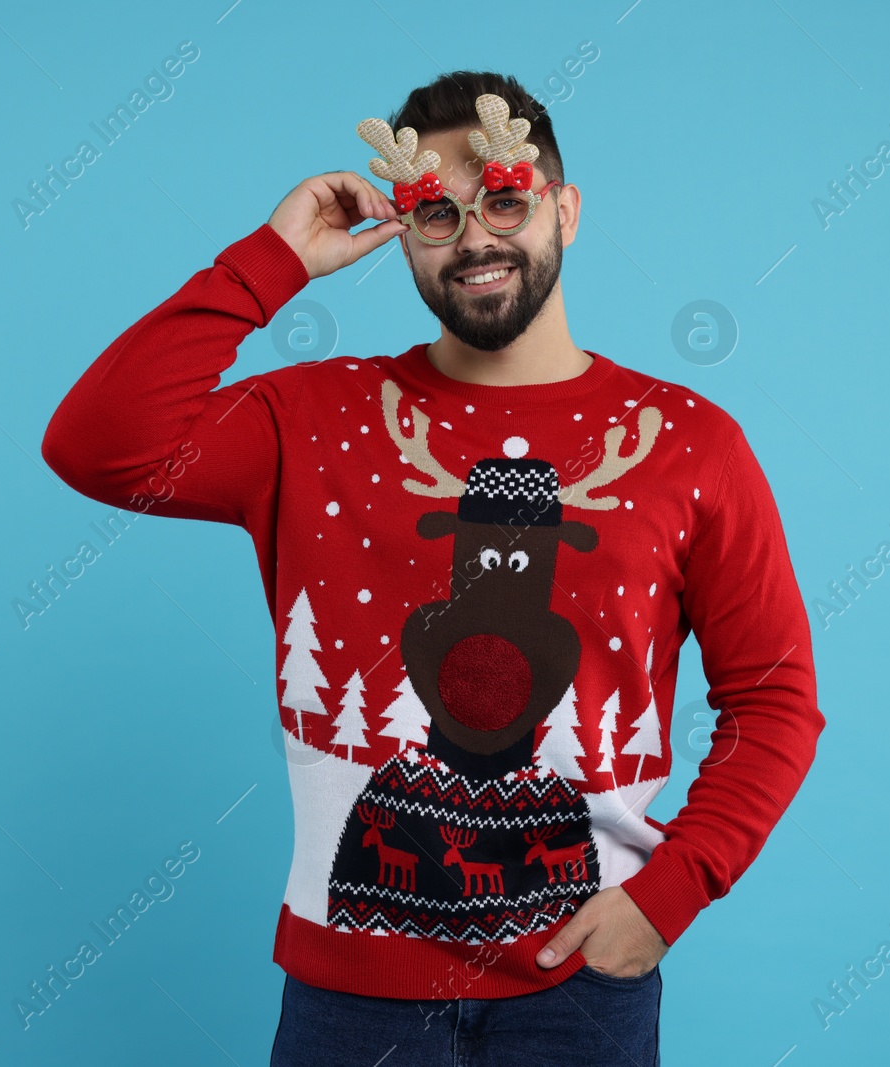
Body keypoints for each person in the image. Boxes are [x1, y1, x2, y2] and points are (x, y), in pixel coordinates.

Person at [41, 70, 825, 1067]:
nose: (475, 239)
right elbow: (100, 444)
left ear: (565, 210)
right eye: (435, 213)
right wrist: (272, 260)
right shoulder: (308, 420)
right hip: (350, 999)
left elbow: (775, 700)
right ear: (402, 230)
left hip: (578, 988)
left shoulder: (689, 443)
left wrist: (672, 894)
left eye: (505, 199)